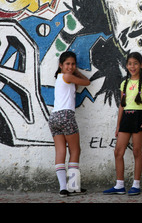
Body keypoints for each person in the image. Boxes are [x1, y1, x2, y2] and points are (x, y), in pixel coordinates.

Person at [103, 52, 142, 196]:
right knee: (118, 151)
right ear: (126, 66)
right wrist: (118, 126)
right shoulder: (124, 84)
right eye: (130, 63)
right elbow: (121, 106)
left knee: (137, 151)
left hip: (139, 117)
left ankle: (136, 185)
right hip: (126, 117)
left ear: (141, 65)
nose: (133, 66)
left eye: (136, 63)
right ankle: (119, 185)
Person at [49, 51, 91, 197]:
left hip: (54, 118)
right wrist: (77, 71)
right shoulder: (68, 76)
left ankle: (63, 188)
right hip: (66, 116)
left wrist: (73, 71)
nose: (71, 67)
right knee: (75, 150)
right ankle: (73, 186)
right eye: (67, 64)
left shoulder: (61, 78)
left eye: (73, 64)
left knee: (61, 151)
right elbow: (87, 82)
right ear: (60, 65)